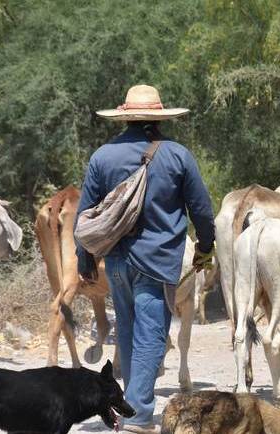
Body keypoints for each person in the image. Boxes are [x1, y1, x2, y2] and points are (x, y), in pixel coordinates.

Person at [75, 84, 215, 433]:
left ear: (126, 117)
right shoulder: (177, 155)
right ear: (158, 119)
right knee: (151, 335)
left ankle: (126, 406)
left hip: (117, 263)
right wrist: (205, 248)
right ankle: (137, 415)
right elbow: (201, 210)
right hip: (157, 262)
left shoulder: (102, 156)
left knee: (127, 329)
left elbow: (85, 214)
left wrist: (85, 258)